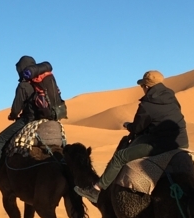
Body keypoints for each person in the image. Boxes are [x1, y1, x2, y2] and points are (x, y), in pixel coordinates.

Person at [75, 70, 187, 204]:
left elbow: (138, 128)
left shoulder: (147, 105)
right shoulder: (172, 98)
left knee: (120, 157)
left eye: (142, 87)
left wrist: (128, 125)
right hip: (182, 142)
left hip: (161, 145)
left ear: (146, 87)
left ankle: (96, 190)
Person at [0, 55, 59, 182]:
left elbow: (16, 108)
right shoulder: (41, 80)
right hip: (48, 117)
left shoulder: (24, 85)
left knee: (1, 138)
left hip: (29, 119)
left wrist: (12, 115)